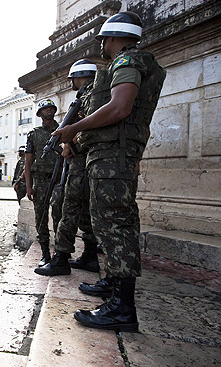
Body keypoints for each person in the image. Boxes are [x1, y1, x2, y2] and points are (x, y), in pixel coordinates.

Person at [52, 12, 166, 332]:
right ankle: (115, 288)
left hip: (113, 155)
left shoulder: (126, 61)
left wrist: (74, 127)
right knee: (115, 223)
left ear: (112, 38)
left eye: (103, 40)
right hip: (118, 154)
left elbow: (120, 107)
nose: (102, 46)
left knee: (115, 224)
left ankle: (121, 307)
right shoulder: (140, 62)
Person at [35, 59, 100, 276]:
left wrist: (71, 142)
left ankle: (61, 257)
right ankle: (89, 255)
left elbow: (93, 129)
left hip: (81, 164)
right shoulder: (92, 95)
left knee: (70, 207)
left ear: (79, 76)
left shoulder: (92, 95)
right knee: (82, 211)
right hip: (87, 162)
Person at [24, 99, 64, 267]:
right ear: (40, 114)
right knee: (41, 218)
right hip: (40, 181)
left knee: (58, 215)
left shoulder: (63, 130)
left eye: (51, 108)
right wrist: (28, 186)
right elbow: (28, 162)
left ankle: (61, 253)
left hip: (58, 180)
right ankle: (45, 253)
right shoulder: (34, 134)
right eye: (45, 108)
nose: (48, 110)